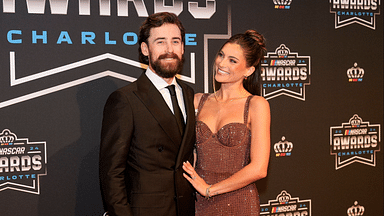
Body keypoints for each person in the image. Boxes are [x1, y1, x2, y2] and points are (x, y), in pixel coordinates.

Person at [99, 12, 195, 216]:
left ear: (183, 47)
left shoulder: (188, 94)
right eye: (160, 42)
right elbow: (112, 173)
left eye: (175, 41)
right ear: (145, 49)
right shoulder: (125, 99)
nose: (170, 50)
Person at [182, 30, 270, 215]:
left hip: (238, 201)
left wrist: (209, 189)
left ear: (249, 70)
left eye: (232, 60)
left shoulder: (256, 105)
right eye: (221, 55)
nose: (221, 63)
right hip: (199, 202)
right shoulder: (198, 101)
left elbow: (259, 168)